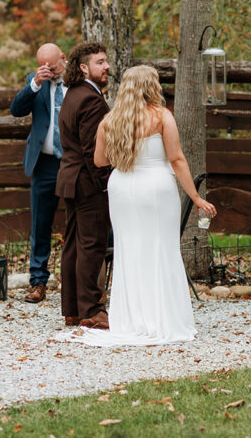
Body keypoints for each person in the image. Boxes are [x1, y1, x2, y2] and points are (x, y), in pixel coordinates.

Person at [68, 65, 216, 346]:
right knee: (161, 249)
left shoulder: (110, 121)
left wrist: (126, 154)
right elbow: (177, 159)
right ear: (152, 86)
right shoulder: (161, 116)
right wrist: (196, 197)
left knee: (130, 251)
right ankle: (162, 319)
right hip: (156, 188)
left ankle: (131, 318)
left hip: (122, 188)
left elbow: (99, 161)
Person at [56, 42, 113, 329]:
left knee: (73, 247)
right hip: (88, 182)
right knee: (91, 246)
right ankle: (91, 310)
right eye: (100, 62)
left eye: (106, 61)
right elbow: (94, 153)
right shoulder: (91, 99)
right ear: (83, 67)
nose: (107, 66)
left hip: (70, 178)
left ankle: (73, 311)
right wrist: (107, 185)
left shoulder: (73, 95)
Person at [10, 43, 68, 304]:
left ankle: (77, 280)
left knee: (79, 220)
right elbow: (16, 110)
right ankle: (38, 282)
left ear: (63, 59)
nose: (49, 72)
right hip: (43, 164)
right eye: (43, 67)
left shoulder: (78, 84)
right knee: (40, 224)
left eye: (53, 67)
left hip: (71, 162)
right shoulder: (34, 82)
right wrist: (34, 83)